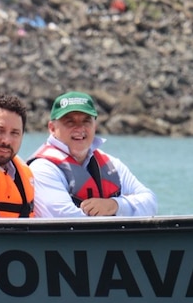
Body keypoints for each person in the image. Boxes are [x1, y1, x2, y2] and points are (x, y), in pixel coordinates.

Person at [28, 91, 157, 218]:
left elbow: (150, 203)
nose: (79, 128)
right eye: (70, 122)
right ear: (52, 128)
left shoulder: (112, 165)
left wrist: (115, 205)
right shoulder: (42, 168)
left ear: (95, 126)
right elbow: (63, 217)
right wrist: (121, 213)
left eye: (86, 121)